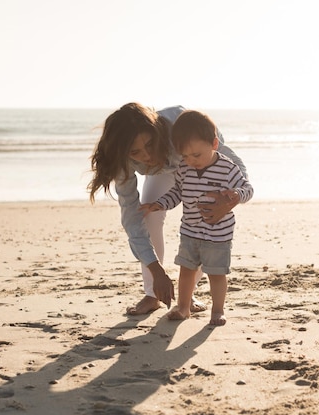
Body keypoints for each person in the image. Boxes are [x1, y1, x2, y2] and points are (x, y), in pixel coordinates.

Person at [88, 103, 247, 315]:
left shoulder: (182, 125)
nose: (146, 156)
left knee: (205, 221)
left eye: (149, 144)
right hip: (162, 172)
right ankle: (152, 294)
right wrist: (156, 271)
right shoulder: (122, 160)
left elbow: (233, 165)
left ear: (156, 132)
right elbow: (131, 218)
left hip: (196, 164)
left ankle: (186, 294)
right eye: (136, 152)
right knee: (147, 216)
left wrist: (229, 201)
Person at [141, 110, 253, 325]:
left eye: (196, 155)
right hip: (190, 232)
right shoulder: (185, 169)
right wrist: (159, 204)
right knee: (186, 272)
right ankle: (183, 308)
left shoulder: (227, 169)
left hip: (218, 235)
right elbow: (177, 193)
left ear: (213, 144)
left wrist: (237, 195)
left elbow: (247, 189)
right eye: (185, 156)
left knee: (216, 275)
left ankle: (217, 311)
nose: (191, 161)